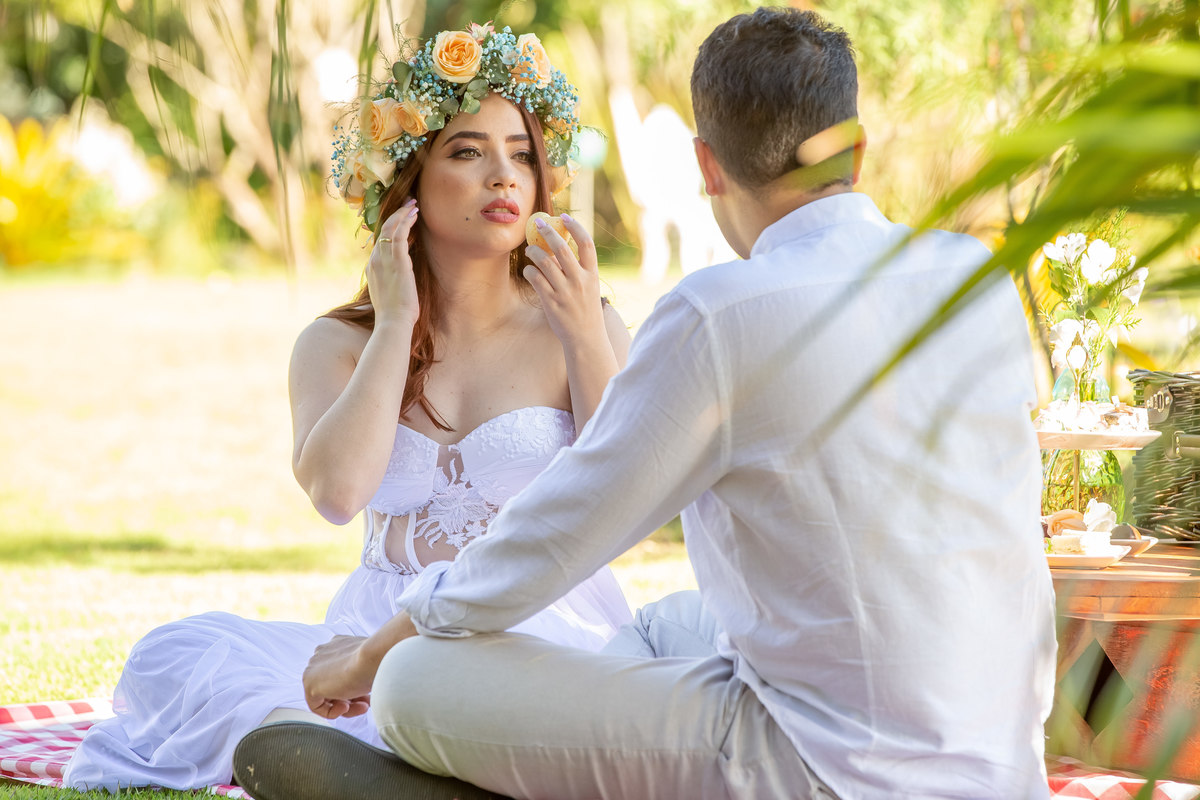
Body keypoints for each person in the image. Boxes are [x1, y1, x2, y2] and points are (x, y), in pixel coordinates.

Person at [234, 8, 1057, 800]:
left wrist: (373, 653)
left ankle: (478, 784)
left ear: (706, 166)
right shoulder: (977, 278)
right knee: (668, 626)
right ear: (858, 149)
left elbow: (560, 532)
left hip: (817, 763)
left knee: (414, 680)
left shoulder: (722, 311)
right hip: (996, 754)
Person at [62, 22, 634, 794]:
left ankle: (407, 760)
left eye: (522, 153)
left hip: (535, 624)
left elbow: (625, 493)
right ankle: (353, 756)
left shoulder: (581, 318)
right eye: (468, 150)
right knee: (173, 653)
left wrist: (585, 338)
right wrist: (395, 325)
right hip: (368, 640)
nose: (504, 175)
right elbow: (337, 496)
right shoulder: (334, 343)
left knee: (476, 681)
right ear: (408, 176)